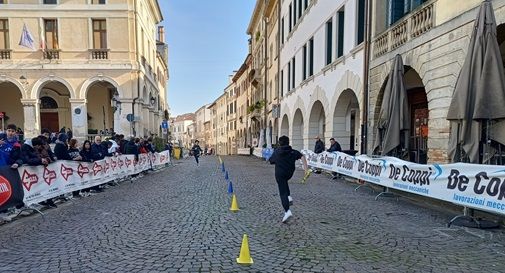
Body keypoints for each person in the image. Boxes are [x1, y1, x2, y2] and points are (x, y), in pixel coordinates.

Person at [268, 135, 308, 223]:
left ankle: (287, 211)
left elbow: (271, 160)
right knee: (285, 182)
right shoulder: (292, 152)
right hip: (289, 173)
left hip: (280, 174)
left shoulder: (277, 152)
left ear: (279, 143)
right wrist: (306, 170)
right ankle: (289, 197)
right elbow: (302, 156)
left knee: (282, 193)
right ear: (288, 142)